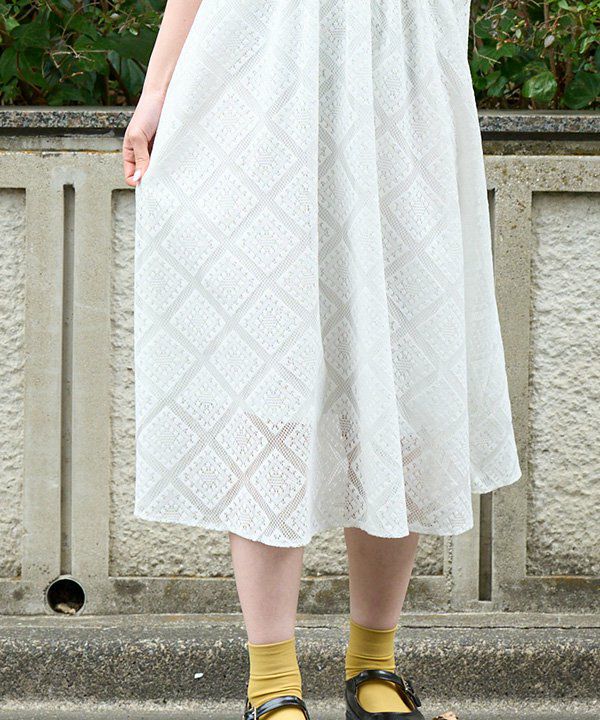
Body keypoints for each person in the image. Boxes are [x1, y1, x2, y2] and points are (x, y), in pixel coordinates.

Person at [123, 1, 522, 718]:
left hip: (401, 93)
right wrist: (156, 92)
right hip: (264, 85)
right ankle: (272, 683)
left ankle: (373, 668)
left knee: (403, 384)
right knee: (269, 380)